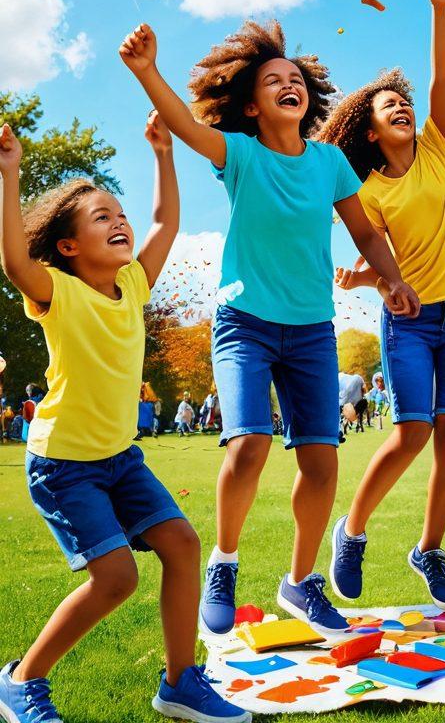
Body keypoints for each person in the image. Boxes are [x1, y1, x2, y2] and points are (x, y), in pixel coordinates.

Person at [120, 19, 418, 639]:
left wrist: (390, 280)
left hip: (311, 329)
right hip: (245, 324)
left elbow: (364, 232)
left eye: (296, 80)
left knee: (321, 461)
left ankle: (301, 583)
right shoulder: (242, 154)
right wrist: (149, 72)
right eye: (273, 81)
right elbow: (188, 127)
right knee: (250, 442)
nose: (290, 85)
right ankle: (223, 564)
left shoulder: (331, 163)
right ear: (252, 106)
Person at [0, 116, 247, 723]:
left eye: (119, 213)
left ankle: (181, 681)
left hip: (120, 458)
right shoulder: (56, 291)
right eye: (101, 217)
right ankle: (20, 680)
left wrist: (163, 154)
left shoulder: (132, 284)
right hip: (64, 465)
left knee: (183, 545)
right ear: (67, 246)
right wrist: (10, 175)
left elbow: (165, 222)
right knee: (115, 579)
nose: (119, 222)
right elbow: (12, 261)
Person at [327, 0, 445, 610]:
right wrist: (372, 280)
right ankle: (352, 532)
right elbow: (377, 251)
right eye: (391, 105)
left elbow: (443, 76)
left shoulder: (440, 146)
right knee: (411, 431)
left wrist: (440, 8)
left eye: (406, 103)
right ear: (370, 129)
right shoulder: (369, 188)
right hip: (414, 322)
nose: (405, 107)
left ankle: (429, 550)